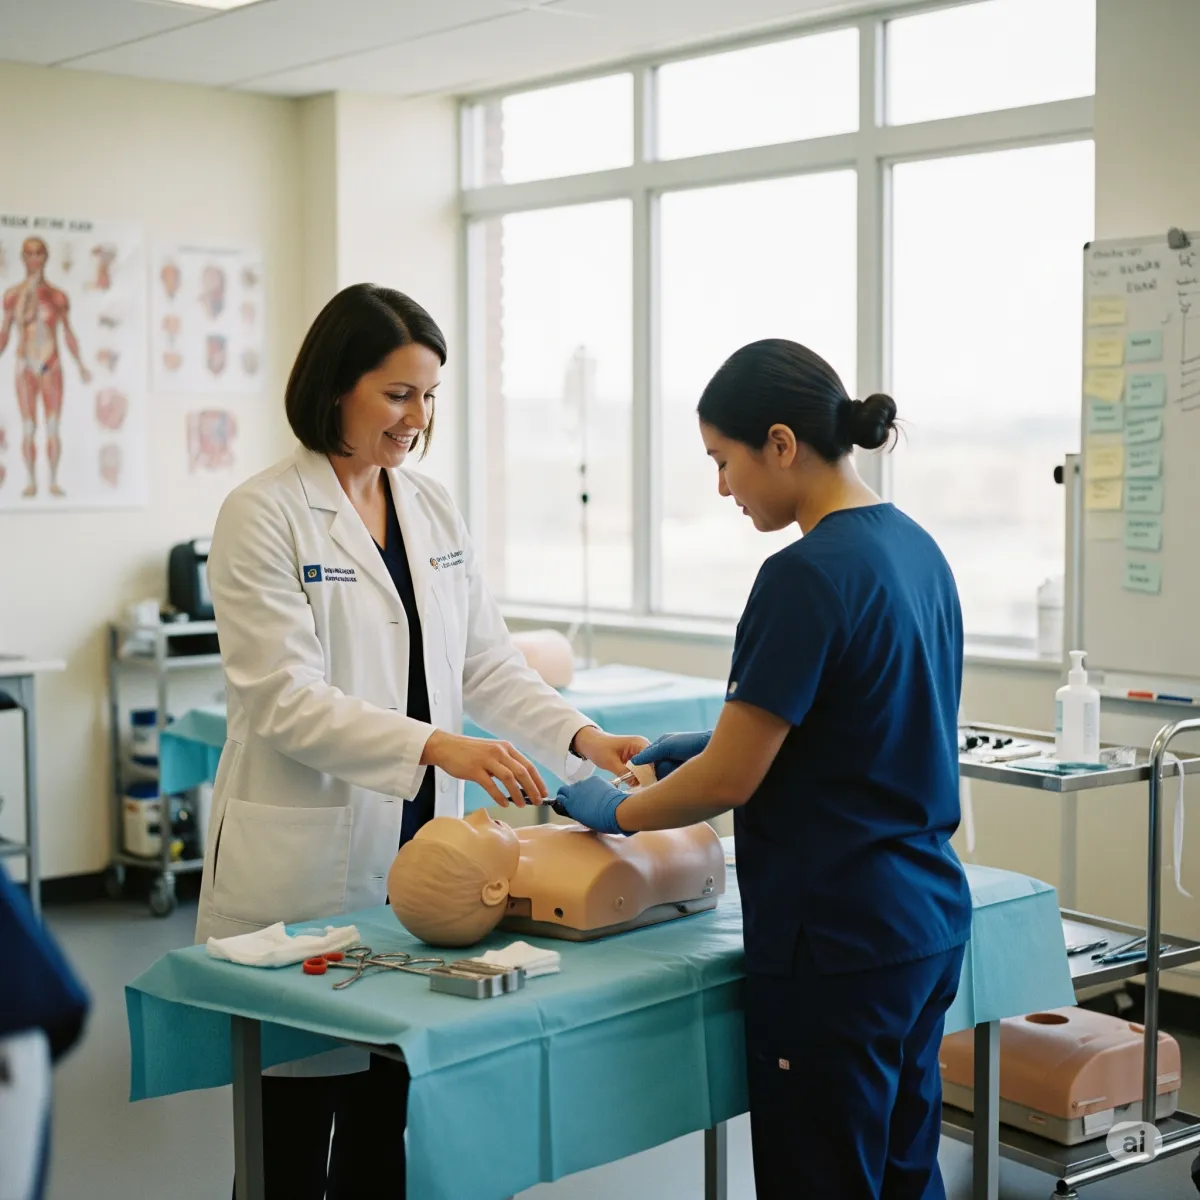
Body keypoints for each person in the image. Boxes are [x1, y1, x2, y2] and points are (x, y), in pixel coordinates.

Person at [197, 284, 644, 1199]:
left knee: (385, 1128)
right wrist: (440, 749)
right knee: (289, 1142)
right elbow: (283, 698)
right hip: (301, 868)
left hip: (425, 865)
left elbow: (487, 663)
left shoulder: (431, 511)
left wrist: (581, 735)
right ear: (335, 389)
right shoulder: (264, 513)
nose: (419, 417)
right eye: (398, 393)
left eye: (431, 395)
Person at [555, 339, 972, 1200]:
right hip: (922, 919)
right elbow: (852, 722)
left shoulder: (802, 575)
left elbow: (728, 783)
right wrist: (700, 745)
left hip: (838, 939)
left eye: (722, 461)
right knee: (903, 1174)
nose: (722, 488)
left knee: (824, 1180)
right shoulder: (915, 547)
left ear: (780, 443)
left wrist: (610, 813)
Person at [0, 237, 92, 498]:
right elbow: (4, 333)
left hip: (51, 364)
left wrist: (81, 364)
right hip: (25, 364)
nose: (34, 259)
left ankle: (52, 480)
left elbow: (69, 333)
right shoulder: (12, 296)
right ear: (22, 258)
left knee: (52, 426)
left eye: (39, 253)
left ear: (45, 257)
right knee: (29, 427)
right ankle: (30, 480)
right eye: (29, 254)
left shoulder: (57, 296)